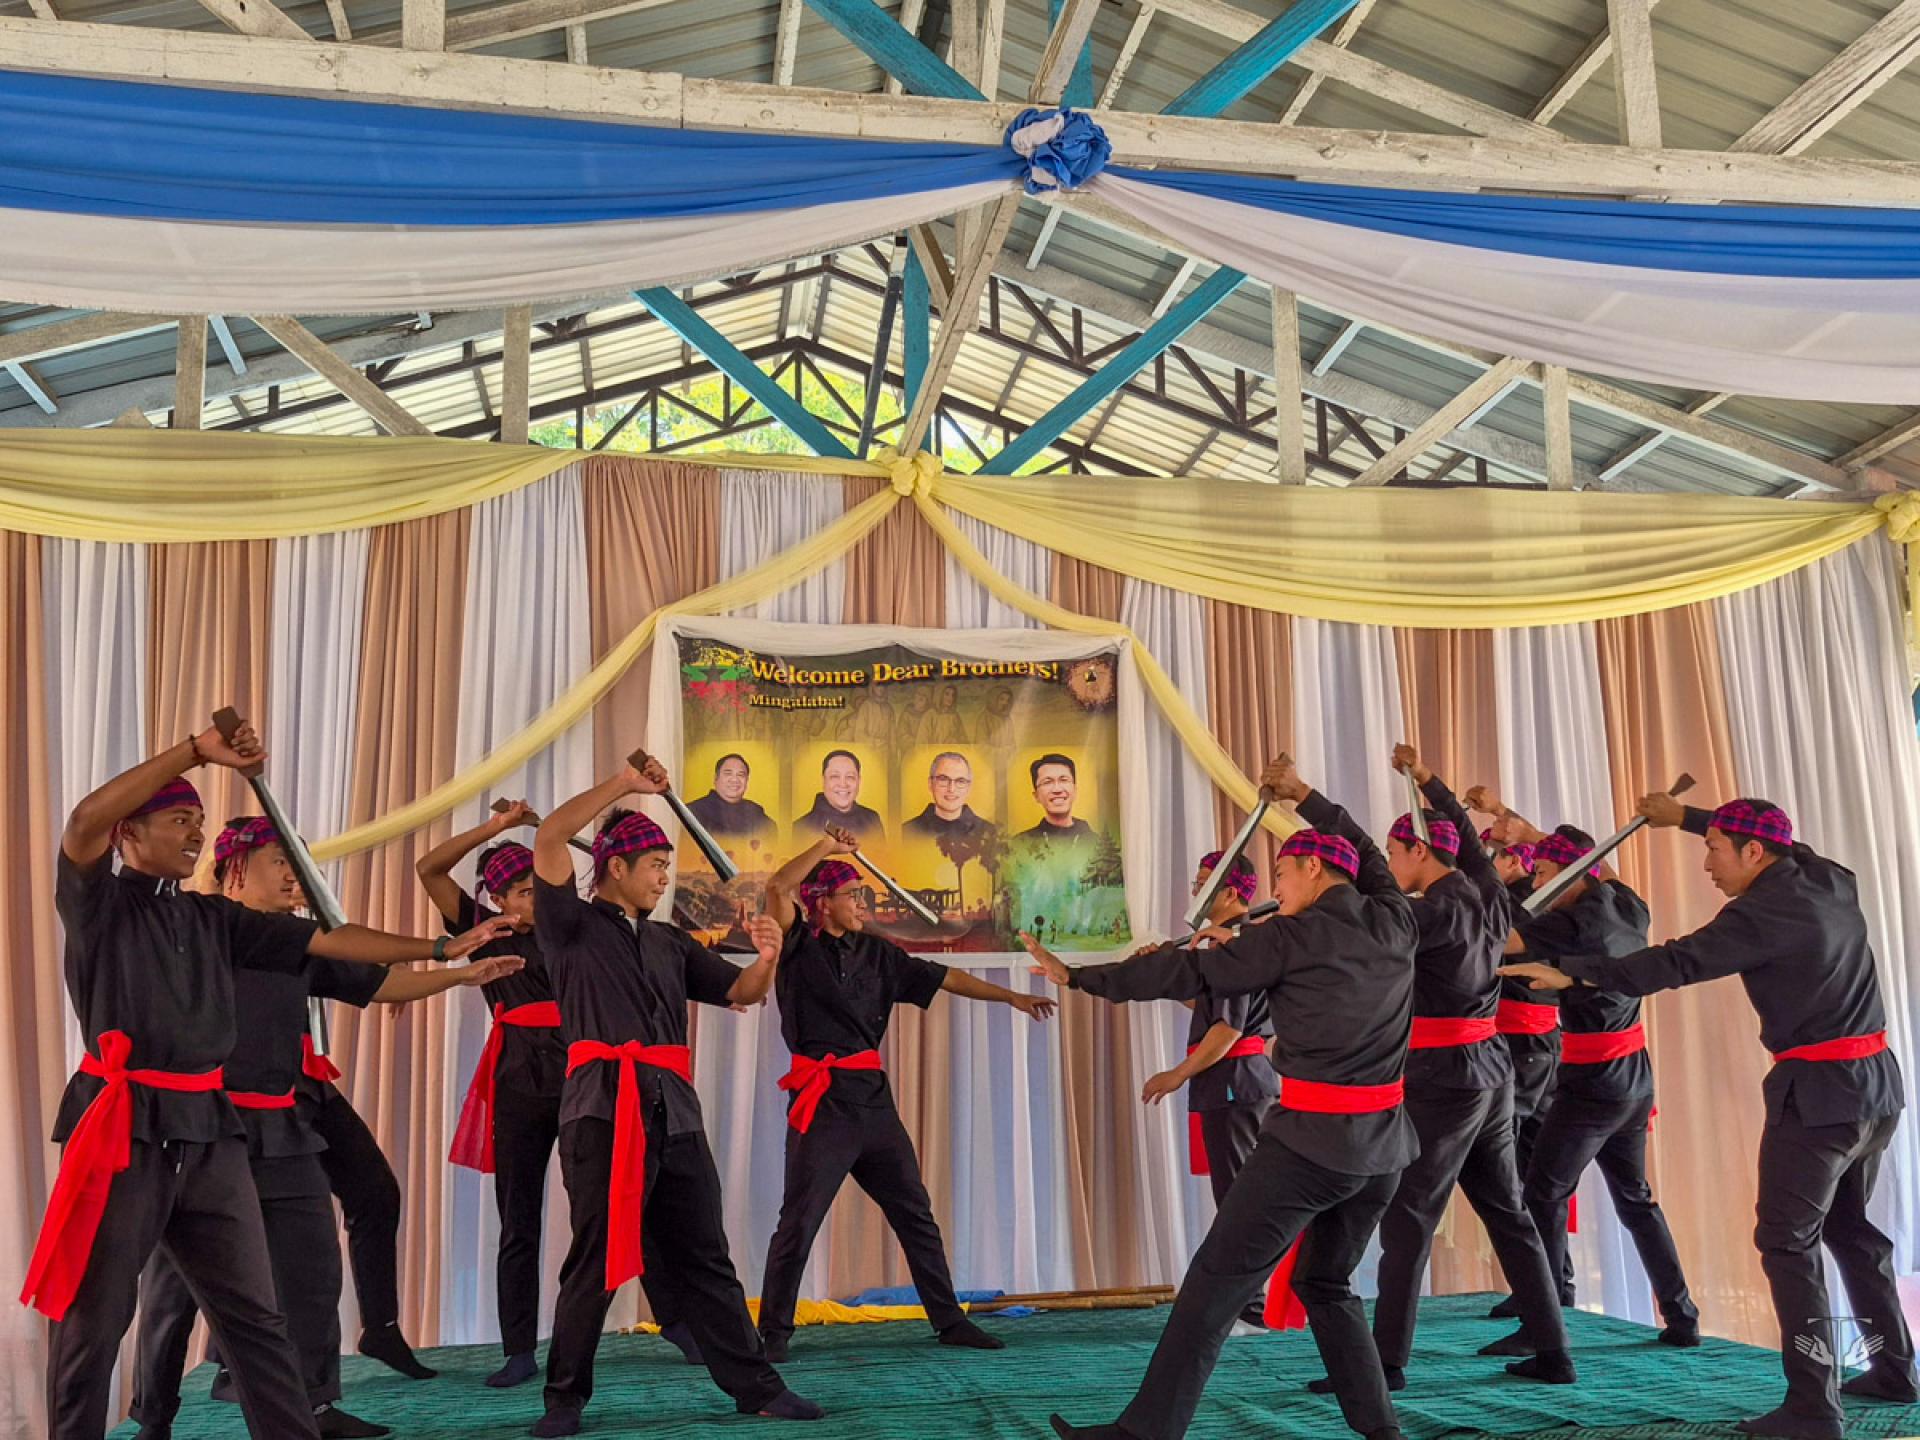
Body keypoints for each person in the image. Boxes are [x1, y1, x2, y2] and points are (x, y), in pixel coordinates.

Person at [22, 721, 507, 1440]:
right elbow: (84, 818)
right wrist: (194, 752)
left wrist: (442, 948)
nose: (195, 833)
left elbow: (329, 940)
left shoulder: (213, 918)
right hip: (125, 1128)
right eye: (178, 820)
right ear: (128, 834)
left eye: (199, 822)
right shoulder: (99, 903)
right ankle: (133, 1420)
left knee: (256, 1319)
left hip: (210, 1133)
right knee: (97, 1320)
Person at [1028, 755, 1422, 1440]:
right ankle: (1382, 1430)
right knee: (1327, 1284)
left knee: (1214, 1284)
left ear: (1312, 870)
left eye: (1283, 872)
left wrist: (1080, 978)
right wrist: (1304, 796)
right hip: (1384, 1150)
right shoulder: (1395, 918)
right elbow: (1360, 847)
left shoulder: (1289, 937)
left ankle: (1146, 1433)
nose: (1277, 885)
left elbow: (1184, 971)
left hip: (1311, 1148)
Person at [1504, 795, 1914, 1440]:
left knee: (1786, 1242)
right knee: (1850, 1230)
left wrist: (1572, 976)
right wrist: (1688, 817)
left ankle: (1813, 1407)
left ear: (1753, 851)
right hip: (1875, 1088)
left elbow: (1676, 961)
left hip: (1818, 1095)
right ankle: (1894, 1370)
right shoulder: (1828, 878)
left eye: (1714, 849)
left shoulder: (1760, 914)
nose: (1707, 865)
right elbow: (1784, 848)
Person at [132, 817, 522, 1440]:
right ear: (234, 871)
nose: (296, 875)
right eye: (280, 862)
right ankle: (155, 1412)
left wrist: (458, 970)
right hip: (207, 1125)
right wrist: (444, 949)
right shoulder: (203, 927)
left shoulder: (295, 941)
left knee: (314, 1263)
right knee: (178, 1280)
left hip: (286, 1117)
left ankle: (316, 1399)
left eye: (300, 864)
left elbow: (374, 977)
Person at [528, 757, 820, 1438]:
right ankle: (563, 1400)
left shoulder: (668, 941)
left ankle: (757, 1387)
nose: (665, 876)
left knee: (707, 1254)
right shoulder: (569, 925)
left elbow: (740, 993)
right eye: (656, 864)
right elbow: (548, 839)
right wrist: (623, 787)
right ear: (615, 867)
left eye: (667, 864)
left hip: (675, 1110)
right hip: (602, 1110)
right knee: (596, 1259)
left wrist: (768, 958)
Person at [1313, 747, 1572, 1397]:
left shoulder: (1428, 913)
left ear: (1419, 851)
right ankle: (1554, 1351)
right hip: (1493, 1072)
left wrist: (1311, 805)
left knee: (1409, 1218)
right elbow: (1459, 835)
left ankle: (1384, 1366)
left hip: (1445, 1078)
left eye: (1397, 853)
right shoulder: (1488, 890)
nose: (1391, 864)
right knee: (1508, 1213)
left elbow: (1370, 880)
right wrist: (1428, 780)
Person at [756, 827, 1054, 1360]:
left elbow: (945, 978)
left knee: (915, 1213)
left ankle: (949, 1321)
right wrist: (826, 847)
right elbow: (778, 886)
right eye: (853, 895)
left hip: (873, 1103)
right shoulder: (797, 944)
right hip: (822, 1105)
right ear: (822, 902)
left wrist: (1010, 996)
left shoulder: (879, 954)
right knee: (799, 1220)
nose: (862, 904)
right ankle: (773, 1334)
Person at [1497, 822, 1699, 1355]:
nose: (1536, 884)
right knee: (1635, 1199)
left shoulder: (1566, 923)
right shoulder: (1629, 904)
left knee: (1542, 1194)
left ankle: (1544, 1323)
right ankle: (1682, 1315)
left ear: (1571, 875)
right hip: (1634, 1077)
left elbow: (1503, 940)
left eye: (1543, 874)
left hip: (1593, 1085)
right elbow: (1595, 863)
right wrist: (1519, 826)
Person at [416, 802, 569, 1389]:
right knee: (519, 1220)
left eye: (540, 889)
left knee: (613, 1204)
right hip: (519, 1084)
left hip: (582, 1079)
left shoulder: (568, 928)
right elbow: (429, 870)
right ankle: (518, 1349)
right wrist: (496, 827)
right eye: (525, 892)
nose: (537, 900)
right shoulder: (481, 933)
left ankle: (675, 1320)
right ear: (498, 899)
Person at [1156, 849, 1280, 1333]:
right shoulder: (1230, 943)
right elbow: (1212, 1007)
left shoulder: (1236, 946)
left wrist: (1177, 1073)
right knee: (1236, 1193)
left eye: (1204, 881)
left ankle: (1251, 1305)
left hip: (1237, 1080)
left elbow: (1228, 1029)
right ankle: (1248, 1301)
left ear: (1229, 892)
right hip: (1235, 1080)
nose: (1195, 889)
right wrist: (1167, 971)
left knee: (1239, 1197)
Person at [1466, 795, 1572, 1316]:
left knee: (1517, 1170)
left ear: (1516, 861)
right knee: (1530, 1172)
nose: (1488, 865)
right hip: (1529, 1047)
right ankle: (1548, 1286)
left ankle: (1546, 1289)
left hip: (1527, 1048)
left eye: (1495, 855)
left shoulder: (1530, 903)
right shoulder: (1522, 898)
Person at [793, 749, 884, 843]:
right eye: (835, 776)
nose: (843, 784)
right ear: (824, 780)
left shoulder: (872, 820)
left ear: (859, 781)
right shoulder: (800, 828)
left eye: (850, 777)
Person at [902, 752, 994, 844]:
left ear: (968, 787)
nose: (951, 789)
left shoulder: (991, 834)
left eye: (960, 781)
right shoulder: (905, 833)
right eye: (943, 779)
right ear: (930, 784)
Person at [686, 755, 774, 839]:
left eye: (740, 775)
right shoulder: (692, 812)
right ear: (716, 778)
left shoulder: (756, 813)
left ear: (747, 781)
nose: (734, 780)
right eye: (728, 774)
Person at [1019, 754, 1093, 845]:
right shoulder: (1019, 844)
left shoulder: (1098, 842)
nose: (1057, 789)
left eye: (1064, 780)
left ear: (1074, 790)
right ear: (1036, 796)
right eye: (1047, 782)